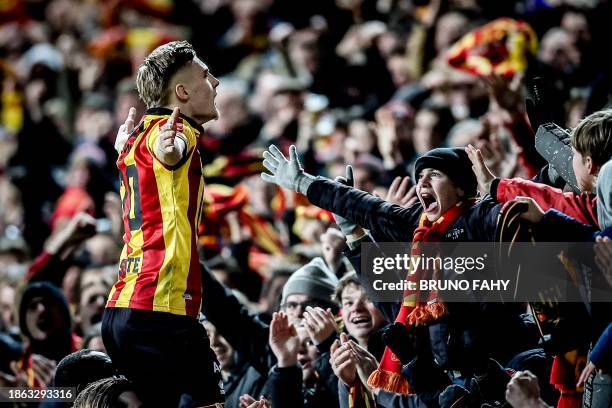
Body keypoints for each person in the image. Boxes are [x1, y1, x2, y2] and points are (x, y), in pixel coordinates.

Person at [101, 40, 224, 407]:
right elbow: (170, 149)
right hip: (160, 310)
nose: (215, 82)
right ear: (182, 92)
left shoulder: (134, 137)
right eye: (205, 75)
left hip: (124, 307)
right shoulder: (174, 131)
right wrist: (172, 152)